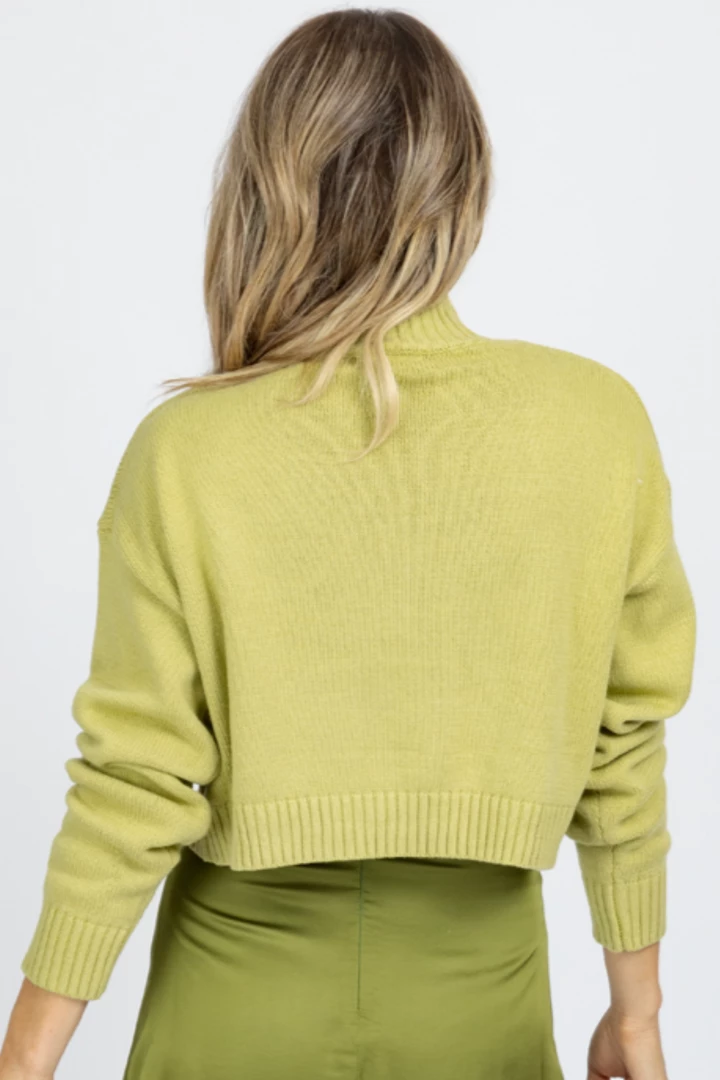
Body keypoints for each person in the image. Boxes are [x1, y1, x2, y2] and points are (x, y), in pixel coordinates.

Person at [0, 8, 696, 1080]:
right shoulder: (597, 424)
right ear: (462, 188)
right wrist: (636, 1012)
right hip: (481, 1001)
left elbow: (134, 778)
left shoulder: (187, 450)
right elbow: (623, 748)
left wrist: (24, 1059)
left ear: (265, 188)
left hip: (233, 1000)